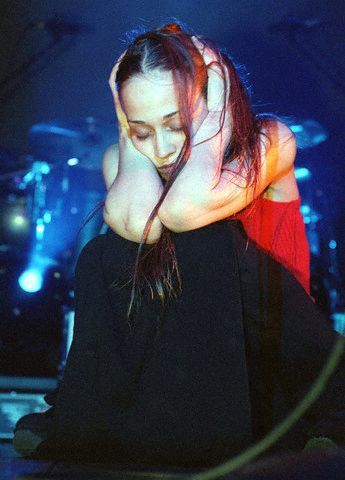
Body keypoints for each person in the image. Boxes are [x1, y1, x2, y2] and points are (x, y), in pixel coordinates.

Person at [13, 23, 345, 469]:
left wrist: (217, 116)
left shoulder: (270, 141)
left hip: (266, 370)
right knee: (104, 251)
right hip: (180, 375)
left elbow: (186, 211)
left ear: (212, 102)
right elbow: (135, 224)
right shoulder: (124, 159)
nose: (163, 148)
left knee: (207, 237)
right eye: (142, 131)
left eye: (176, 124)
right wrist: (124, 131)